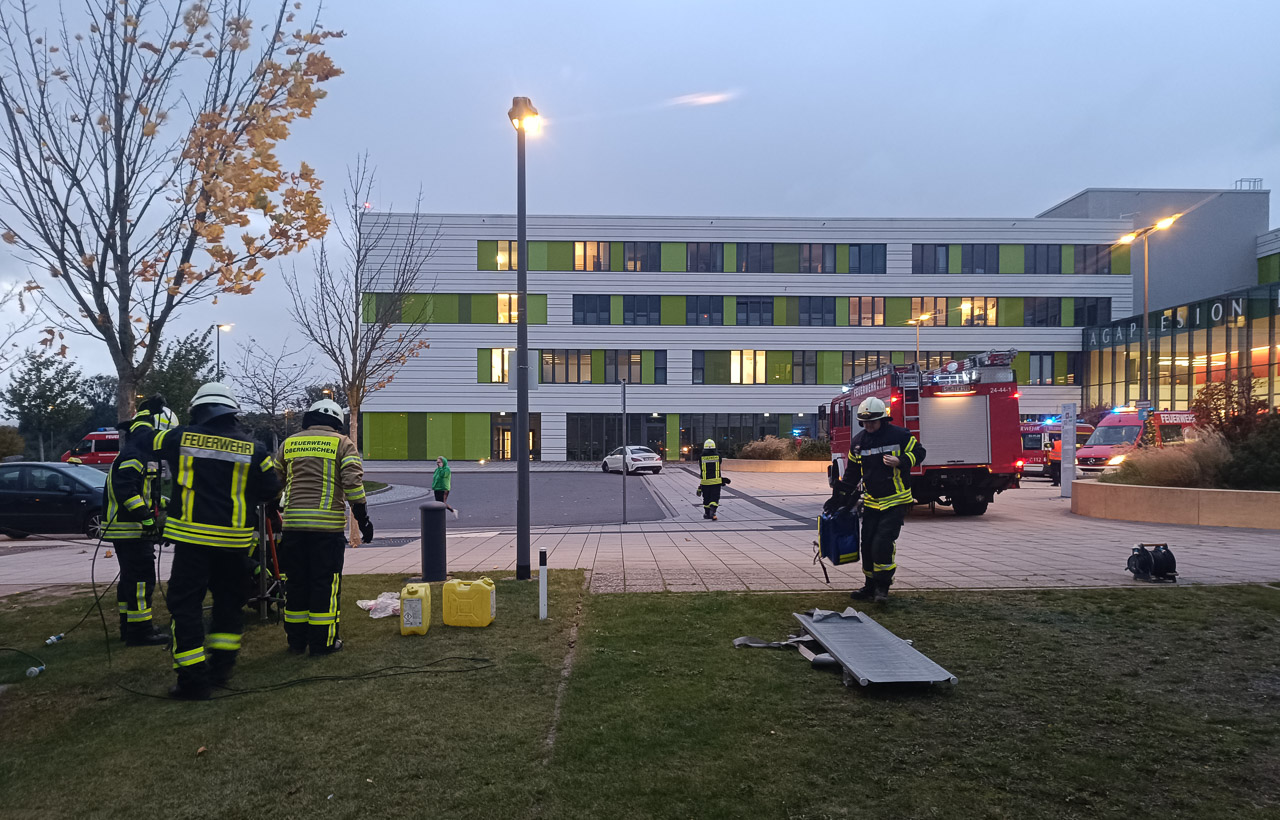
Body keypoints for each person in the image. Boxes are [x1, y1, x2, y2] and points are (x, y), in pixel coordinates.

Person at [142, 383, 281, 700]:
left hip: (192, 542)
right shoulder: (256, 449)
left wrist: (145, 415)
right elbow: (271, 489)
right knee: (228, 605)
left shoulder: (179, 438)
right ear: (232, 412)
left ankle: (193, 680)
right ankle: (221, 669)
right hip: (234, 543)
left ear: (198, 411)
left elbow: (145, 442)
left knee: (186, 606)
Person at [276, 398, 373, 657]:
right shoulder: (343, 443)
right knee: (324, 584)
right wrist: (363, 520)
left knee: (296, 584)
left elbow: (275, 482)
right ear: (337, 421)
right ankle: (322, 643)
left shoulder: (289, 443)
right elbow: (353, 486)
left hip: (293, 527)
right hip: (326, 529)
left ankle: (296, 642)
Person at [824, 396, 925, 603]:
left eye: (872, 422)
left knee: (882, 543)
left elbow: (919, 452)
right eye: (865, 422)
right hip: (871, 502)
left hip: (896, 500)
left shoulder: (900, 435)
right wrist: (837, 499)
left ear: (883, 419)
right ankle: (869, 586)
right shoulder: (858, 442)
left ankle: (882, 587)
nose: (868, 426)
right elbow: (852, 475)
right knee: (868, 544)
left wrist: (901, 460)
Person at [102, 396, 177, 646]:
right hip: (130, 529)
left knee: (130, 579)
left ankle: (129, 626)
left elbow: (142, 493)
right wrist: (146, 520)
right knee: (141, 579)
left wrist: (166, 504)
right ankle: (140, 631)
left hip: (126, 528)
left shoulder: (137, 450)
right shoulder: (136, 453)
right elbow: (126, 490)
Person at [696, 438, 730, 520]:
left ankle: (707, 514)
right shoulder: (718, 456)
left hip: (705, 482)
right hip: (716, 481)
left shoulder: (701, 457)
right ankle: (713, 510)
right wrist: (722, 480)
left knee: (706, 498)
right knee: (715, 497)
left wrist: (700, 487)